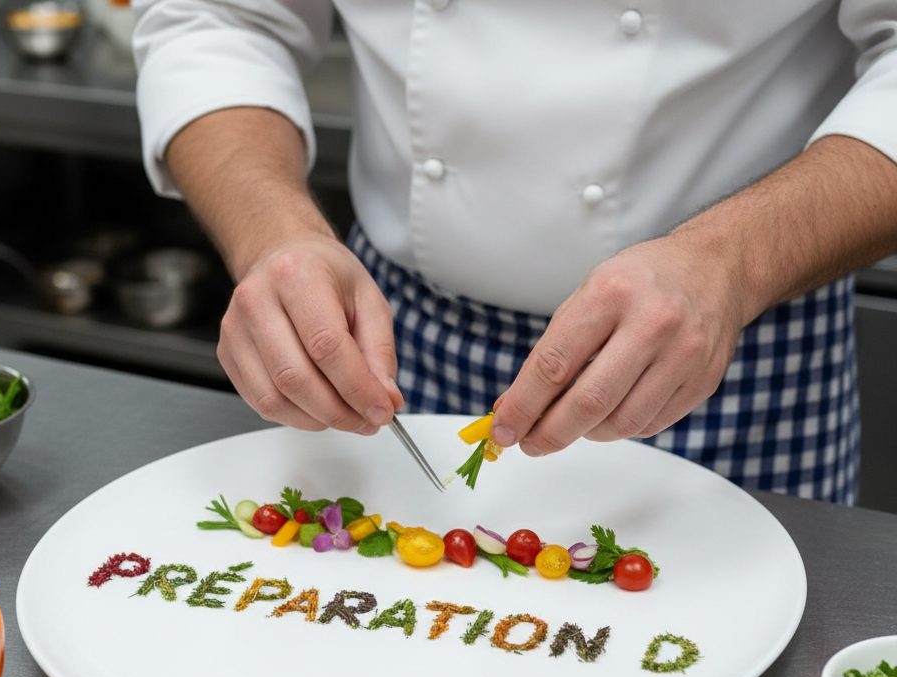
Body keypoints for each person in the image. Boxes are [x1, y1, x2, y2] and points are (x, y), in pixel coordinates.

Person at [132, 1, 897, 503]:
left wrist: (731, 262)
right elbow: (218, 19)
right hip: (393, 346)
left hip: (735, 354)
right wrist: (274, 236)